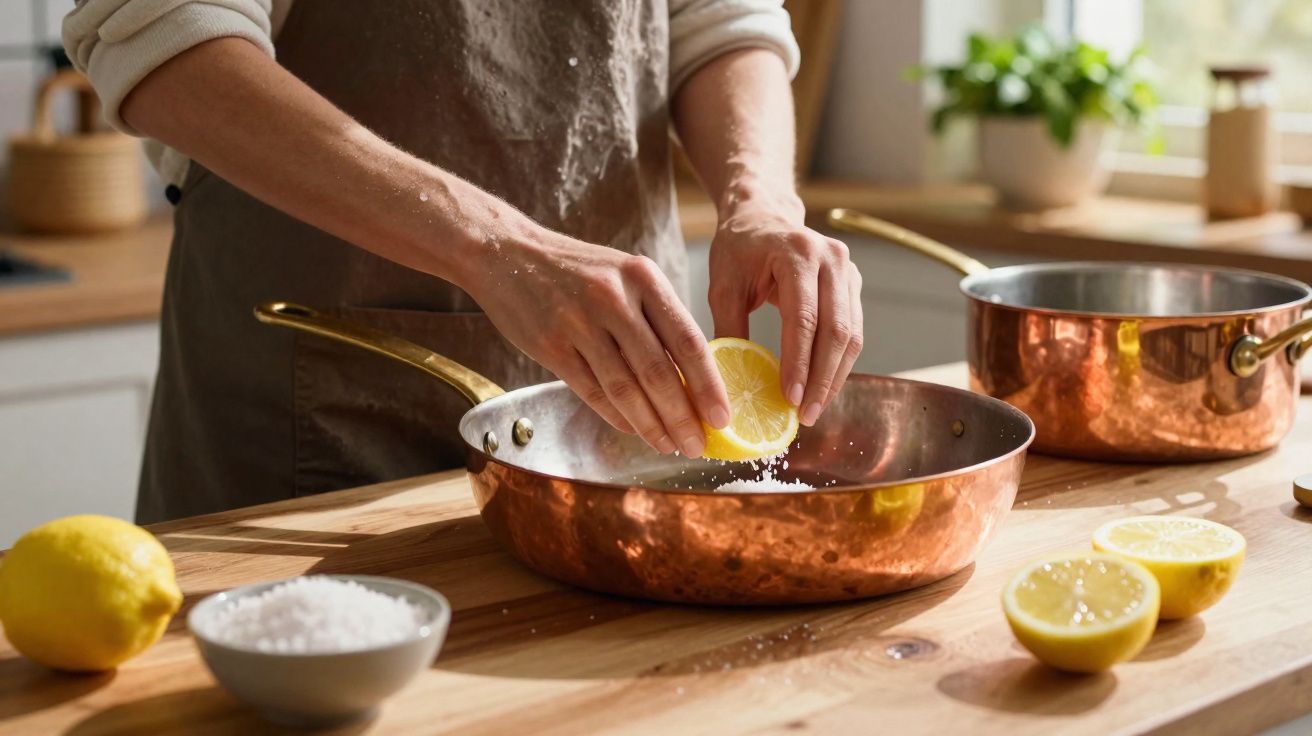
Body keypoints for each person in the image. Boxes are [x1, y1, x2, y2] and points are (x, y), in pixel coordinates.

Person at [63, 0, 863, 522]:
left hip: (623, 441)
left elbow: (720, 20)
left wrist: (759, 198)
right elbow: (166, 42)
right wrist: (499, 248)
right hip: (313, 449)